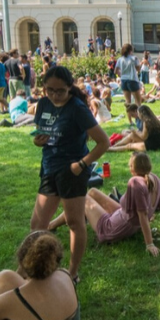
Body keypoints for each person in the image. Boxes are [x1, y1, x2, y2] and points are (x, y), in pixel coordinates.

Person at [30, 66, 110, 279]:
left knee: (74, 222)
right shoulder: (43, 104)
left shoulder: (77, 108)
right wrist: (38, 142)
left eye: (60, 91)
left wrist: (82, 165)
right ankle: (35, 270)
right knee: (37, 224)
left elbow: (104, 142)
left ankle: (72, 273)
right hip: (49, 167)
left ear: (69, 88)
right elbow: (40, 134)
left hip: (73, 171)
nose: (54, 95)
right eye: (49, 90)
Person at [50, 153, 160, 256]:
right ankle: (54, 224)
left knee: (84, 199)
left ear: (133, 167)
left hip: (111, 228)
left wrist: (149, 244)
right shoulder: (155, 178)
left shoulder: (135, 183)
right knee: (93, 191)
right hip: (124, 217)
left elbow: (143, 215)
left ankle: (52, 225)